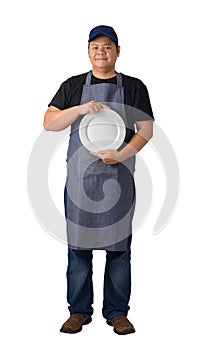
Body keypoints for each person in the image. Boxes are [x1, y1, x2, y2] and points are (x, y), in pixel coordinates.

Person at [43, 25, 154, 335]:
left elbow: (146, 130)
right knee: (78, 249)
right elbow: (49, 123)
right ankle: (78, 312)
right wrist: (79, 108)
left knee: (119, 249)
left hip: (118, 177)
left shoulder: (133, 87)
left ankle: (117, 312)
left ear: (118, 51)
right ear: (88, 51)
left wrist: (120, 155)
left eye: (108, 46)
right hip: (80, 179)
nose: (101, 51)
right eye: (95, 46)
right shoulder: (73, 86)